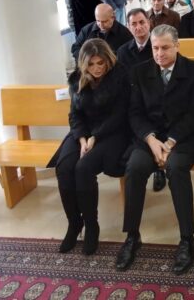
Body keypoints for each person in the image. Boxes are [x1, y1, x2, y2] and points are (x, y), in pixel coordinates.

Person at [115, 25, 194, 275]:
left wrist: (170, 143)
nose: (159, 53)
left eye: (165, 48)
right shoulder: (140, 72)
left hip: (185, 138)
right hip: (151, 139)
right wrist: (151, 140)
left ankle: (187, 239)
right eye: (155, 48)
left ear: (177, 45)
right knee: (135, 167)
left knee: (176, 168)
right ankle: (132, 236)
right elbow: (135, 113)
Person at [49, 39, 130, 255]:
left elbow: (120, 114)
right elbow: (74, 114)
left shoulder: (120, 75)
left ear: (108, 60)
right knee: (64, 167)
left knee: (83, 168)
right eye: (91, 64)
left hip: (112, 132)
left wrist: (96, 136)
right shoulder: (77, 78)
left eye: (100, 63)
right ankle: (75, 223)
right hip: (84, 132)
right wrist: (82, 138)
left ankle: (92, 226)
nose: (96, 68)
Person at [117, 8, 167, 192]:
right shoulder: (123, 51)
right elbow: (121, 80)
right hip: (133, 100)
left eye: (141, 22)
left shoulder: (159, 46)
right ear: (128, 27)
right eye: (134, 24)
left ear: (149, 23)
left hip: (156, 100)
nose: (138, 27)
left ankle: (159, 169)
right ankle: (134, 163)